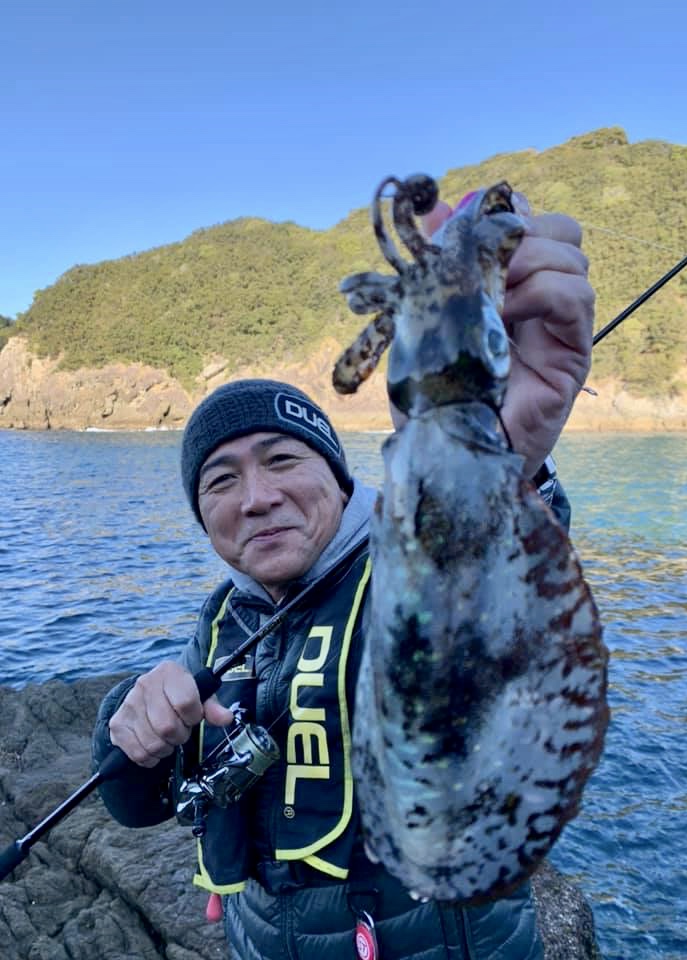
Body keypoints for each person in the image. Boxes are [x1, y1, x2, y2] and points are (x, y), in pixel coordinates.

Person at [92, 191, 594, 960]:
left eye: (282, 460)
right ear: (203, 516)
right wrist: (126, 728)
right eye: (221, 481)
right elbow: (136, 804)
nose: (256, 498)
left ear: (337, 477)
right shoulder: (225, 621)